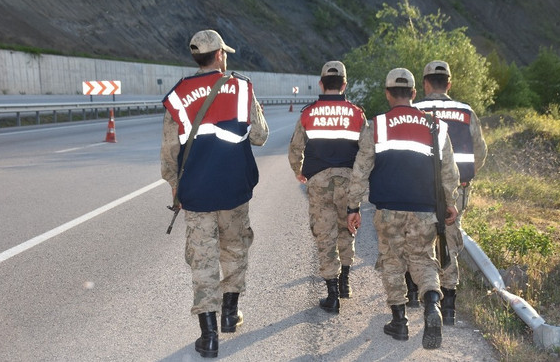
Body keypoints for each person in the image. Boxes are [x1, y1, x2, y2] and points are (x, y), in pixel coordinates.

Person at [160, 29, 269, 358]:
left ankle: (208, 337)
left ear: (196, 58)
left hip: (196, 194)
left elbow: (168, 155)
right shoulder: (241, 87)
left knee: (203, 261)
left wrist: (175, 187)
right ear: (220, 55)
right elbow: (261, 135)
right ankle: (230, 315)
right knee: (235, 250)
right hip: (234, 189)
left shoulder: (178, 95)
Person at [346, 68, 459, 349]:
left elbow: (360, 171)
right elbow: (449, 173)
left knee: (392, 262)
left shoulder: (377, 126)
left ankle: (399, 322)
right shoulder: (436, 125)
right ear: (413, 93)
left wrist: (353, 207)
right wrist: (450, 204)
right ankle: (432, 304)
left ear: (387, 94)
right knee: (422, 258)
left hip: (388, 209)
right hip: (425, 209)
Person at [406, 60, 487, 326]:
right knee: (451, 241)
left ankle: (416, 295)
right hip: (457, 190)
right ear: (449, 84)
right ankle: (449, 306)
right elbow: (480, 151)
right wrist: (465, 179)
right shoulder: (466, 112)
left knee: (417, 240)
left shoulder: (413, 110)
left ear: (425, 83)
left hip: (420, 189)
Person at [288, 61, 367, 313]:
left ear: (321, 84)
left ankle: (332, 295)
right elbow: (367, 152)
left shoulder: (308, 113)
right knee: (346, 228)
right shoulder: (357, 114)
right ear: (344, 84)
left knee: (324, 234)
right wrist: (361, 180)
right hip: (349, 179)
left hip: (319, 180)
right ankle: (345, 283)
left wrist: (299, 171)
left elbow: (295, 149)